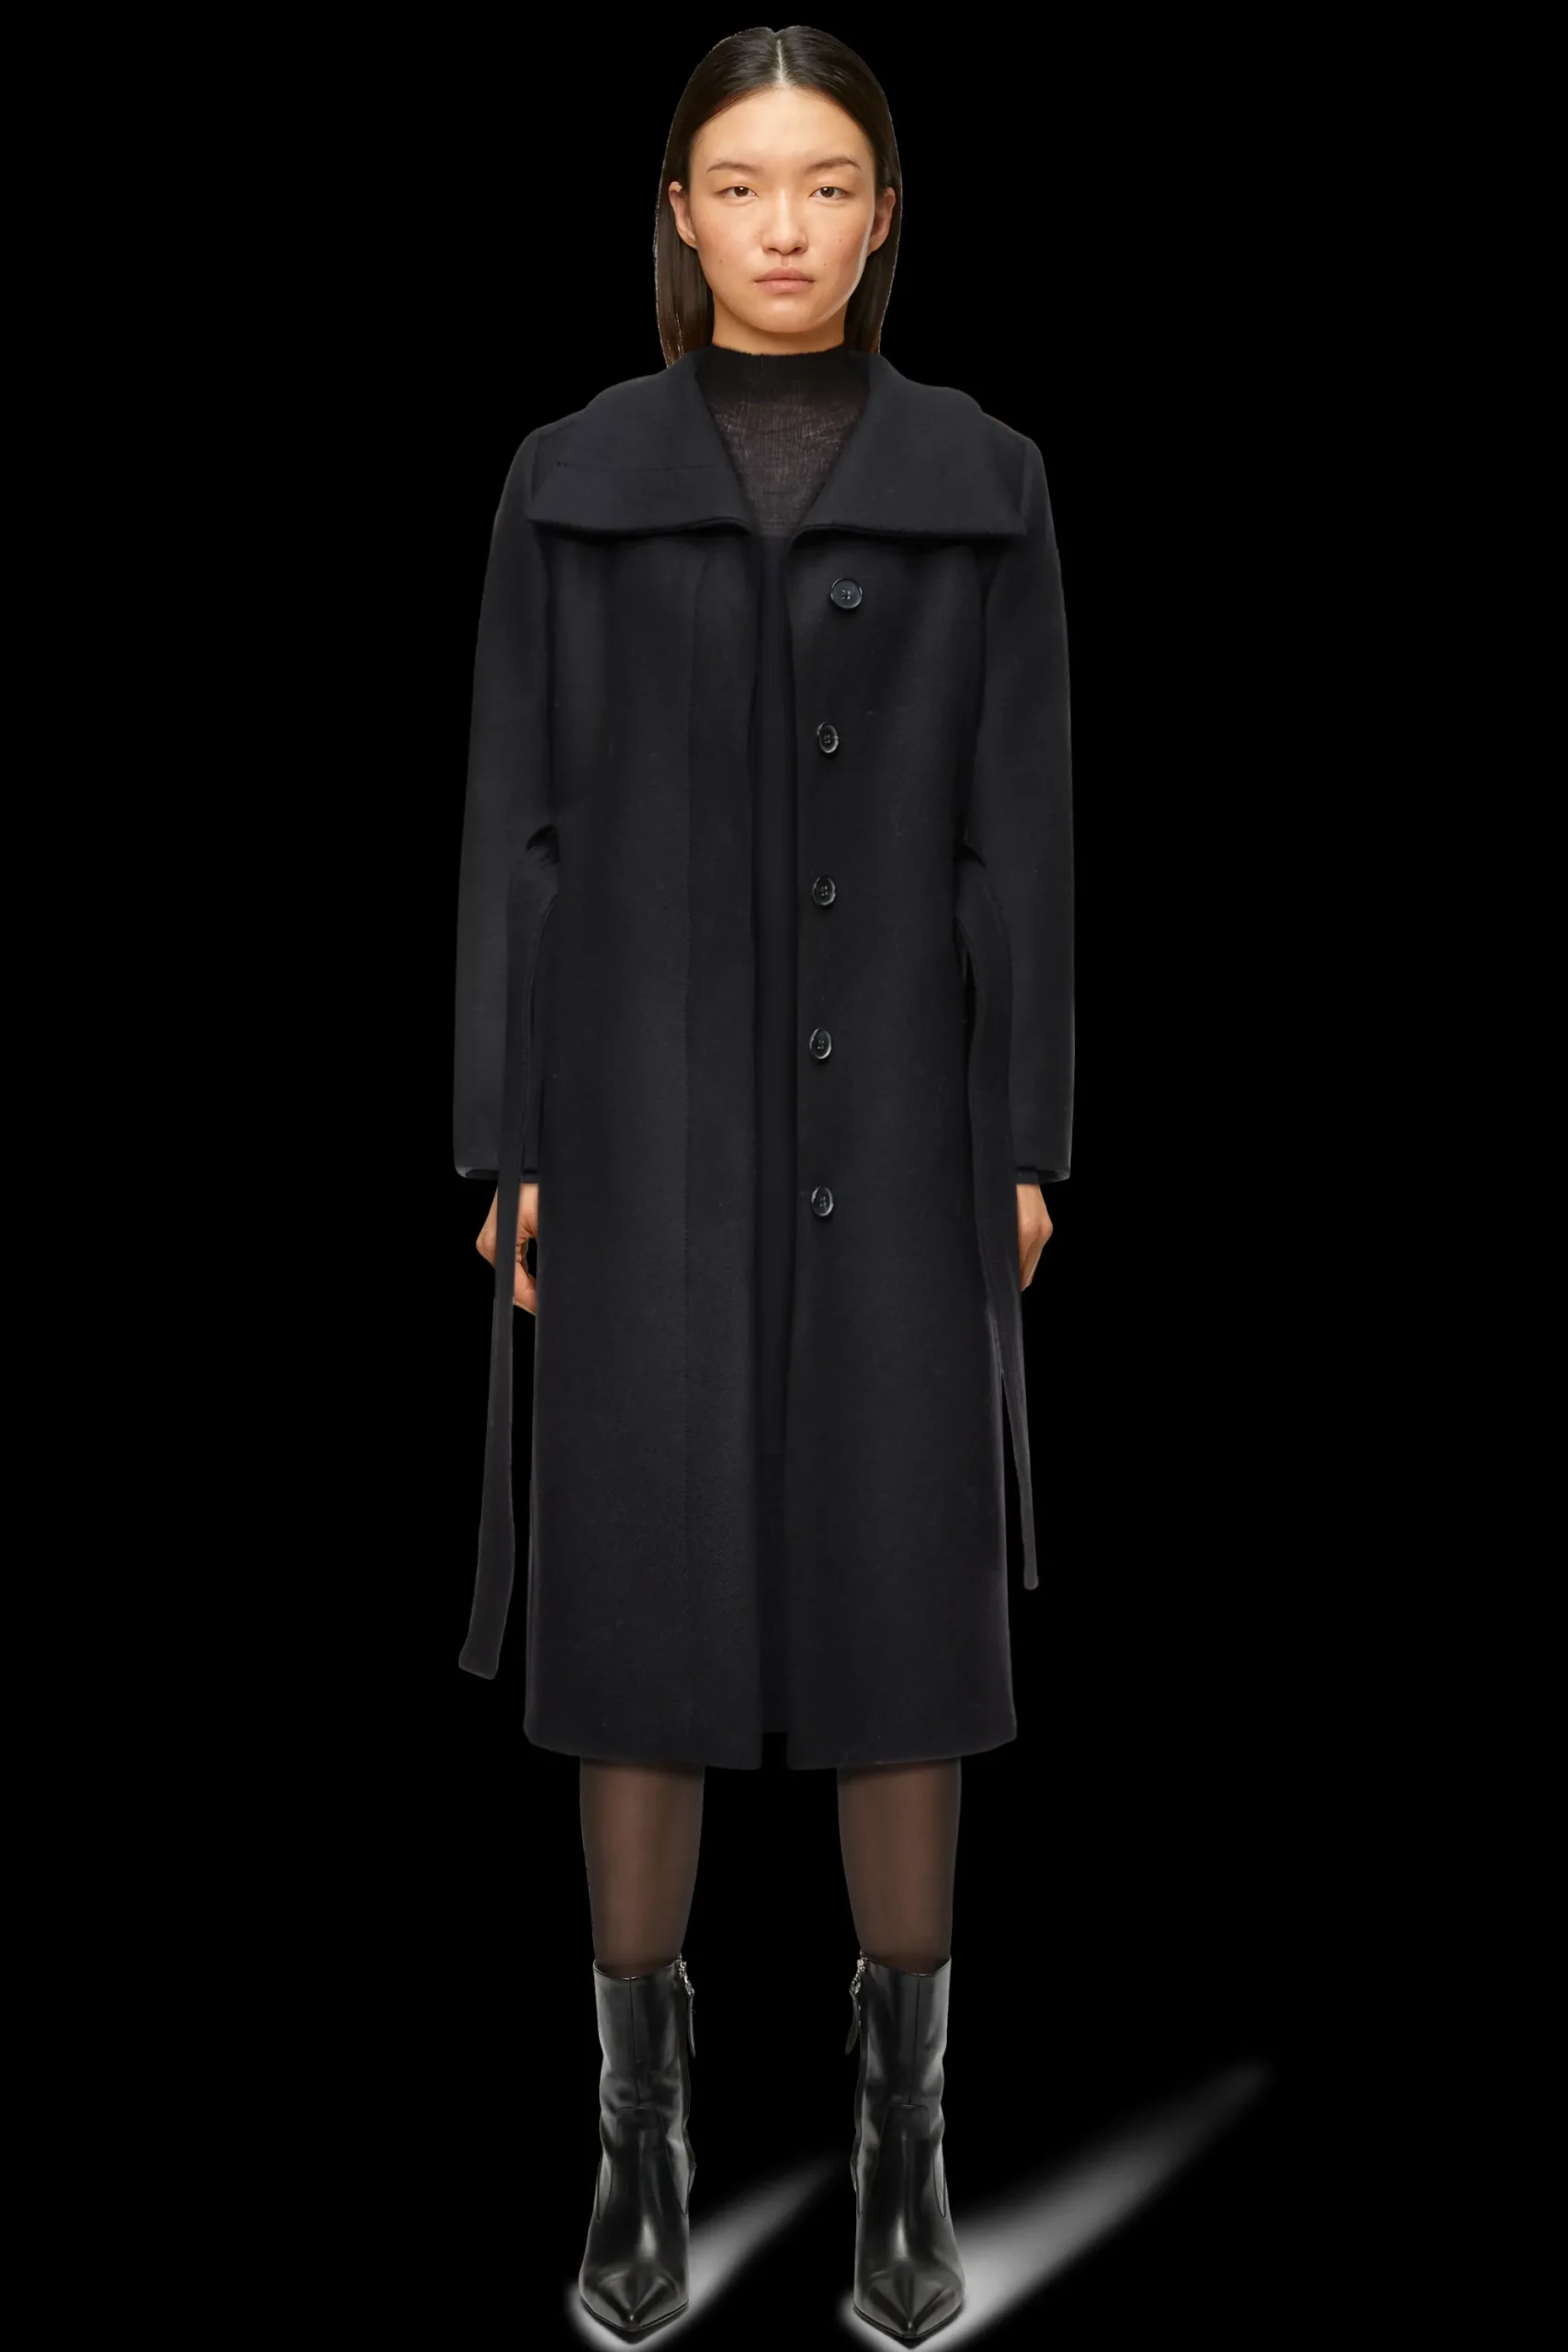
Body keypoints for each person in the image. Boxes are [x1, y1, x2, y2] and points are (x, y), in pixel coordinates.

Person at [454, 26, 1073, 2343]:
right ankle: (638, 2144)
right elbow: (511, 820)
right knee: (638, 1587)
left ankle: (907, 2147)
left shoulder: (986, 478)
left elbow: (1029, 829)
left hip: (906, 1119)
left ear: (885, 212)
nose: (783, 225)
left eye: (825, 183)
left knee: (904, 1591)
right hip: (634, 1115)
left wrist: (1028, 1137)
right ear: (679, 212)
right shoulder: (568, 478)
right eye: (740, 183)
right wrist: (509, 1138)